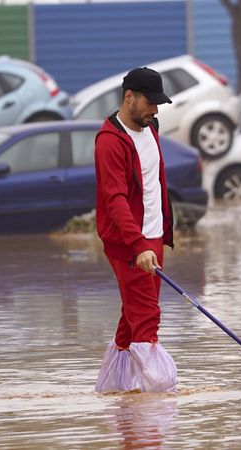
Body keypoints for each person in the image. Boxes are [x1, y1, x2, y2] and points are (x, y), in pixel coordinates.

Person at [93, 67, 177, 393]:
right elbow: (115, 201)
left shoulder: (150, 126)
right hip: (131, 244)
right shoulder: (109, 143)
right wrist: (138, 245)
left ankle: (118, 395)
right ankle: (155, 412)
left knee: (131, 320)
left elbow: (154, 184)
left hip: (152, 238)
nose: (155, 110)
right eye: (150, 102)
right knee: (146, 320)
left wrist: (160, 235)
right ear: (129, 96)